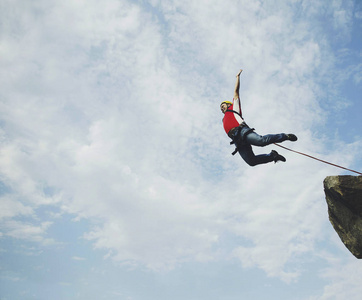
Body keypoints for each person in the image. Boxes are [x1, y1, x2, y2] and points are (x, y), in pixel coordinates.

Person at [221, 69, 297, 166]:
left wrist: (237, 77)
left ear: (228, 104)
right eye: (221, 108)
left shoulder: (233, 107)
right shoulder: (224, 119)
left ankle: (285, 136)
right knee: (251, 162)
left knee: (261, 141)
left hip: (241, 131)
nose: (222, 108)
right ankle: (273, 156)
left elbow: (236, 91)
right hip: (236, 139)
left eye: (223, 105)